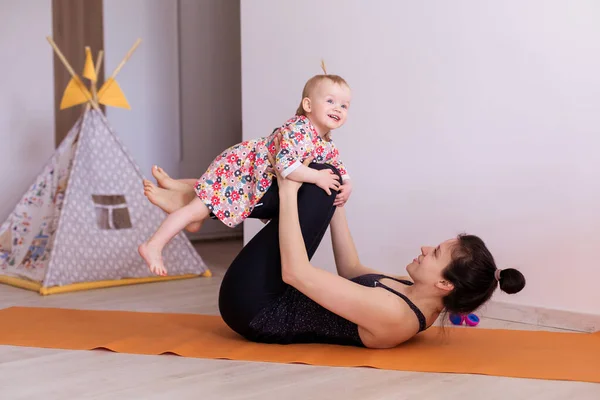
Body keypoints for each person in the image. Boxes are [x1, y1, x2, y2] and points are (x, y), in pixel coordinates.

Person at [144, 139, 526, 349]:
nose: (426, 248)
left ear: (445, 284)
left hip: (255, 307)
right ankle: (196, 202)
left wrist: (292, 191)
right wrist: (337, 204)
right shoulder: (415, 294)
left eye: (436, 254)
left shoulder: (395, 316)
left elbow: (295, 272)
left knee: (310, 179)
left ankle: (196, 202)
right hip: (273, 292)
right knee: (325, 180)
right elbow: (353, 271)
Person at [139, 69, 354, 276]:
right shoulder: (298, 130)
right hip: (238, 169)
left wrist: (347, 182)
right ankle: (153, 245)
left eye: (344, 105)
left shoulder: (323, 141)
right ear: (308, 104)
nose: (338, 108)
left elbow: (335, 162)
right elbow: (286, 166)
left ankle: (181, 191)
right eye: (330, 101)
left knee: (205, 201)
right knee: (196, 208)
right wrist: (317, 176)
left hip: (244, 177)